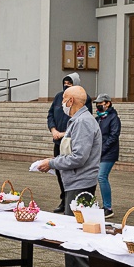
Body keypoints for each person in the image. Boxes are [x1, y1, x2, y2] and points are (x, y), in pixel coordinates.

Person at [38, 85, 104, 267]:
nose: (61, 104)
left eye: (64, 99)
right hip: (73, 181)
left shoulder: (83, 122)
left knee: (78, 229)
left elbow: (79, 157)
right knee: (70, 228)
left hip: (81, 181)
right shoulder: (76, 121)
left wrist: (52, 162)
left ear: (72, 101)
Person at [46, 72, 93, 212]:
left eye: (69, 83)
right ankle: (64, 199)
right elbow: (50, 115)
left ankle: (69, 200)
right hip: (58, 141)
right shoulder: (58, 97)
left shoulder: (83, 116)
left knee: (68, 168)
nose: (63, 102)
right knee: (61, 173)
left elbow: (78, 156)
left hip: (71, 143)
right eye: (65, 83)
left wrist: (49, 163)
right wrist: (53, 130)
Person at [95, 93, 121, 219]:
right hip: (99, 152)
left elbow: (113, 136)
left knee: (102, 176)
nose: (98, 105)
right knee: (98, 177)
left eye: (100, 103)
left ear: (107, 103)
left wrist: (102, 149)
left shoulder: (113, 118)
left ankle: (108, 208)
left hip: (109, 153)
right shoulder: (98, 118)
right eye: (97, 103)